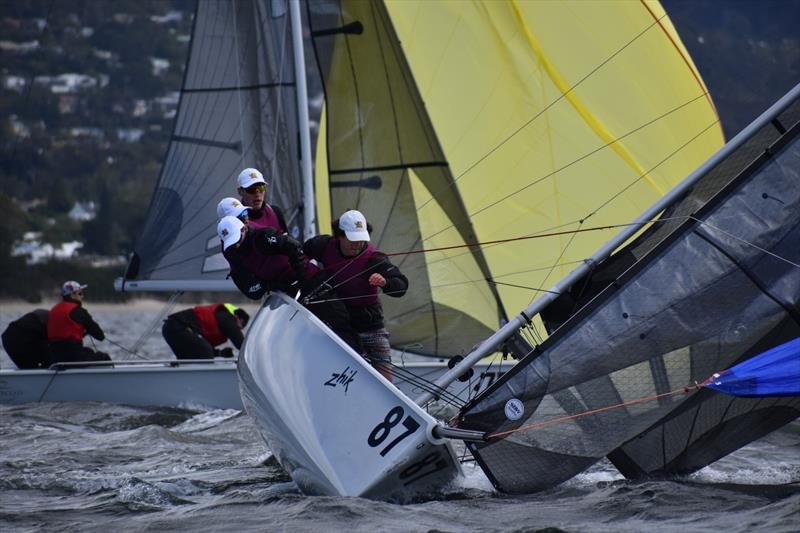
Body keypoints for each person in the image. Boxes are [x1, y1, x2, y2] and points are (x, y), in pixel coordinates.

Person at [218, 216, 362, 352]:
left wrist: (302, 280)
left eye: (237, 238)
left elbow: (294, 247)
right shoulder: (234, 253)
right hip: (289, 292)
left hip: (311, 281)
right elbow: (253, 290)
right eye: (231, 242)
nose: (236, 244)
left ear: (244, 228)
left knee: (339, 321)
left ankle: (359, 356)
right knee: (306, 337)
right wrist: (270, 285)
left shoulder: (262, 237)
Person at [303, 210, 408, 381]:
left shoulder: (374, 258)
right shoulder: (322, 246)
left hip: (370, 324)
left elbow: (402, 285)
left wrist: (385, 283)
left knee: (386, 381)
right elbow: (299, 256)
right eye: (352, 238)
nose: (358, 244)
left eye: (361, 238)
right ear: (339, 236)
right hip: (336, 322)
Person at [47, 281, 110, 364]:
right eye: (80, 293)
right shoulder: (79, 311)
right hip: (73, 357)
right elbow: (100, 336)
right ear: (72, 295)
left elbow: (64, 333)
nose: (82, 296)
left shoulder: (53, 310)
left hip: (54, 356)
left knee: (89, 351)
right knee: (104, 357)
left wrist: (83, 332)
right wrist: (88, 330)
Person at [162, 303, 249, 360]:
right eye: (241, 323)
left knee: (191, 356)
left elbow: (200, 346)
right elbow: (241, 344)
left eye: (243, 326)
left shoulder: (221, 319)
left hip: (169, 329)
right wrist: (252, 356)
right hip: (177, 326)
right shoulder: (228, 318)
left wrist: (220, 353)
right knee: (205, 351)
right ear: (236, 316)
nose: (240, 327)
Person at [236, 168, 291, 233]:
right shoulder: (235, 221)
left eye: (261, 188)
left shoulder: (275, 212)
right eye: (251, 189)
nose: (257, 194)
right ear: (240, 192)